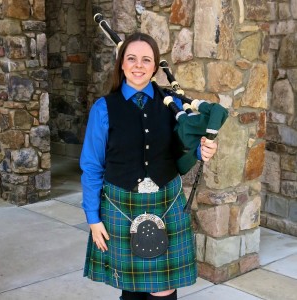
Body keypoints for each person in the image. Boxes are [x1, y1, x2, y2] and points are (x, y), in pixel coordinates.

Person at [80, 32, 217, 300]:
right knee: (131, 288)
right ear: (121, 64)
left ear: (155, 66)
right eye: (131, 58)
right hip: (121, 205)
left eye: (146, 59)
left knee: (164, 289)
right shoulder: (103, 108)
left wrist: (204, 149)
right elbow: (92, 166)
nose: (138, 65)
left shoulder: (173, 105)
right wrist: (93, 218)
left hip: (166, 202)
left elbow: (183, 150)